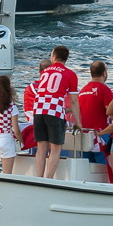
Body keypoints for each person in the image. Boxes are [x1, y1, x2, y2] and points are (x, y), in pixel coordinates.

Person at [31, 44, 81, 179]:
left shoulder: (45, 72)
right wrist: (78, 121)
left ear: (54, 57)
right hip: (55, 110)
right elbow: (74, 101)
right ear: (66, 58)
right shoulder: (70, 74)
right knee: (55, 148)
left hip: (39, 109)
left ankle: (39, 178)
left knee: (41, 147)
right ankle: (49, 179)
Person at [79, 61, 113, 173]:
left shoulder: (83, 90)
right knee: (105, 166)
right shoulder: (104, 89)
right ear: (104, 73)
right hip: (101, 134)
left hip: (84, 134)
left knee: (88, 166)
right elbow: (110, 112)